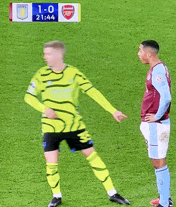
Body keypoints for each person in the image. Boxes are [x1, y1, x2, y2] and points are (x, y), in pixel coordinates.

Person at [24, 41, 130, 207]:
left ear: (60, 54)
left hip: (74, 126)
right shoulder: (41, 75)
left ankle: (112, 193)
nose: (45, 57)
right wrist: (44, 109)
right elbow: (28, 97)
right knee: (51, 164)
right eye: (45, 54)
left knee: (93, 156)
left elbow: (92, 91)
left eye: (48, 54)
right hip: (51, 128)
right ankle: (56, 196)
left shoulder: (74, 73)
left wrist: (112, 110)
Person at [137, 40, 173, 207]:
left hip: (156, 125)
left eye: (140, 51)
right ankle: (164, 196)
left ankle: (165, 202)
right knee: (157, 160)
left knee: (158, 162)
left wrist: (157, 116)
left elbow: (166, 97)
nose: (138, 54)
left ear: (149, 53)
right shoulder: (158, 68)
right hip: (155, 124)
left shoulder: (157, 72)